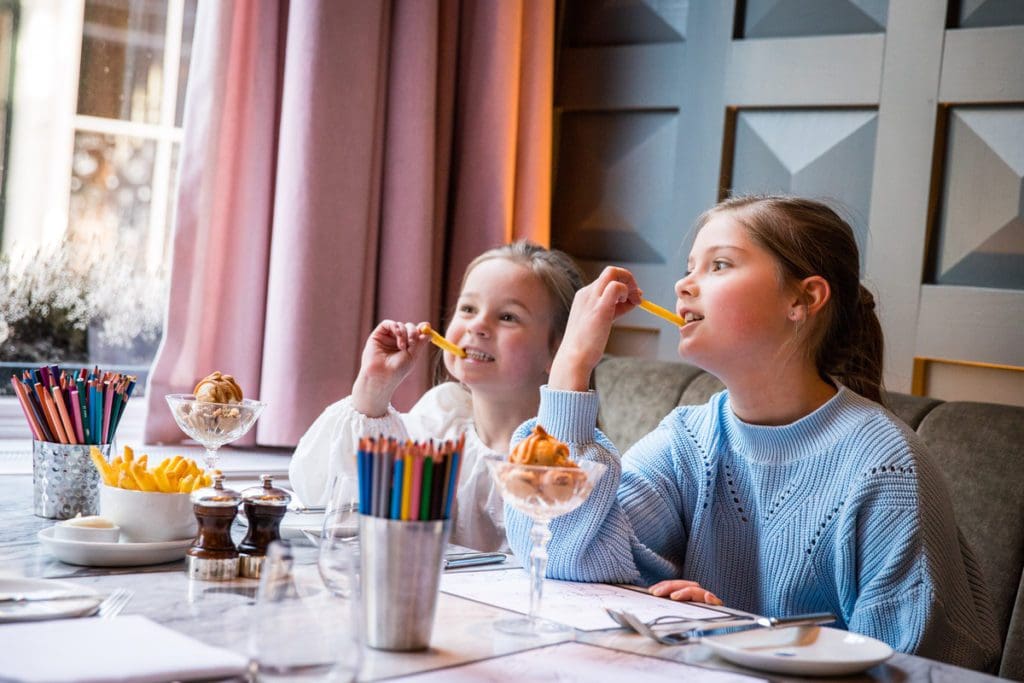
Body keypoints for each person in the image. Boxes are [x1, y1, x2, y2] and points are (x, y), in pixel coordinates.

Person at [504, 195, 999, 669]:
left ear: (803, 299)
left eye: (719, 265)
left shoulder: (886, 467)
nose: (684, 285)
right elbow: (557, 557)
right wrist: (571, 367)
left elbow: (908, 666)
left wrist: (740, 634)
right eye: (689, 267)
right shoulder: (689, 440)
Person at [289, 241, 585, 552]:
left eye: (508, 317)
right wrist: (373, 389)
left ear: (558, 350)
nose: (477, 325)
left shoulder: (569, 455)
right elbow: (338, 509)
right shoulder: (439, 419)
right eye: (468, 309)